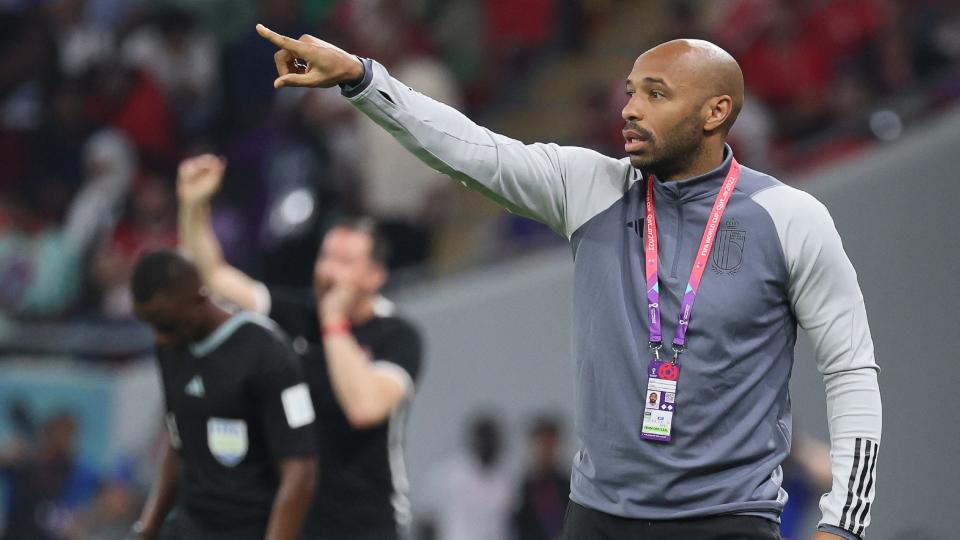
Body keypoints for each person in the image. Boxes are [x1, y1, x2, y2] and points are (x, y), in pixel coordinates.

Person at [254, 26, 883, 540]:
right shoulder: (590, 187)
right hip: (598, 519)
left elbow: (851, 369)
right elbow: (473, 150)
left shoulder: (792, 220)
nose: (629, 109)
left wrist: (844, 526)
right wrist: (364, 81)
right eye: (630, 91)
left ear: (716, 111)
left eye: (655, 95)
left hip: (726, 522)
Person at [176, 155, 423, 540]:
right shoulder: (296, 316)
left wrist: (333, 322)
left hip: (369, 525)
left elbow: (364, 407)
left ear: (375, 276)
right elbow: (215, 278)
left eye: (345, 262)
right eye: (326, 257)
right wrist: (194, 207)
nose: (328, 271)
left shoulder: (397, 335)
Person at [129, 250, 317, 540]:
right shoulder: (171, 347)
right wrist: (147, 528)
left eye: (165, 324)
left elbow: (300, 471)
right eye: (150, 325)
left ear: (198, 300)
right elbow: (178, 439)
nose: (159, 337)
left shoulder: (268, 352)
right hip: (188, 528)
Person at [513, 415, 569, 540]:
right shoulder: (523, 489)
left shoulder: (569, 488)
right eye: (542, 443)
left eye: (550, 444)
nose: (546, 450)